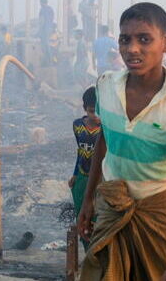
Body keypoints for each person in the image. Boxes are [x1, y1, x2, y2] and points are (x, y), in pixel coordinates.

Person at [78, 2, 166, 281]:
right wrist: (88, 199)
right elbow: (105, 139)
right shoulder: (105, 85)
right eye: (125, 39)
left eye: (144, 39)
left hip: (159, 212)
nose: (132, 49)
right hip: (112, 205)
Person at [69, 86, 101, 249]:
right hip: (82, 177)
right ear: (84, 109)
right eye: (91, 111)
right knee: (82, 216)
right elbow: (81, 152)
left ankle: (98, 253)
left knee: (97, 217)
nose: (95, 116)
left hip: (101, 179)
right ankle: (88, 251)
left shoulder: (106, 129)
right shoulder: (77, 126)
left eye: (98, 111)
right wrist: (75, 173)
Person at [38, 0, 55, 65]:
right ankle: (50, 59)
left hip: (44, 30)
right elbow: (52, 19)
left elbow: (42, 21)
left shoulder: (42, 10)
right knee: (48, 44)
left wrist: (39, 31)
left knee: (45, 46)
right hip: (49, 29)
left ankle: (48, 60)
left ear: (42, 2)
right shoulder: (51, 9)